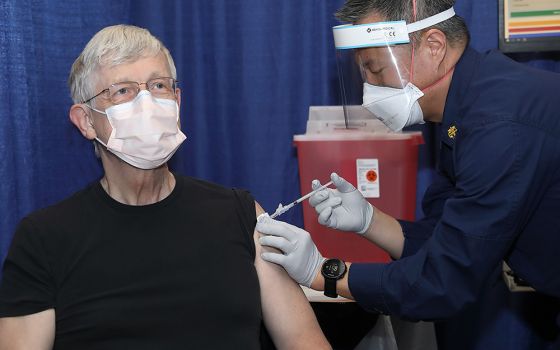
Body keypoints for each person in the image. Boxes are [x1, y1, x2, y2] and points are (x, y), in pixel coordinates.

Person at [0, 24, 331, 350]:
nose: (146, 102)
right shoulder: (44, 239)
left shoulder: (239, 213)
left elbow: (303, 340)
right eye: (123, 90)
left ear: (177, 101)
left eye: (159, 86)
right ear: (86, 120)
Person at [257, 0, 560, 343]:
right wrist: (370, 220)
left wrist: (324, 272)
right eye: (363, 74)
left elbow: (443, 282)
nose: (369, 90)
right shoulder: (470, 105)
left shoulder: (499, 127)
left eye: (376, 70)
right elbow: (445, 241)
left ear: (433, 46)